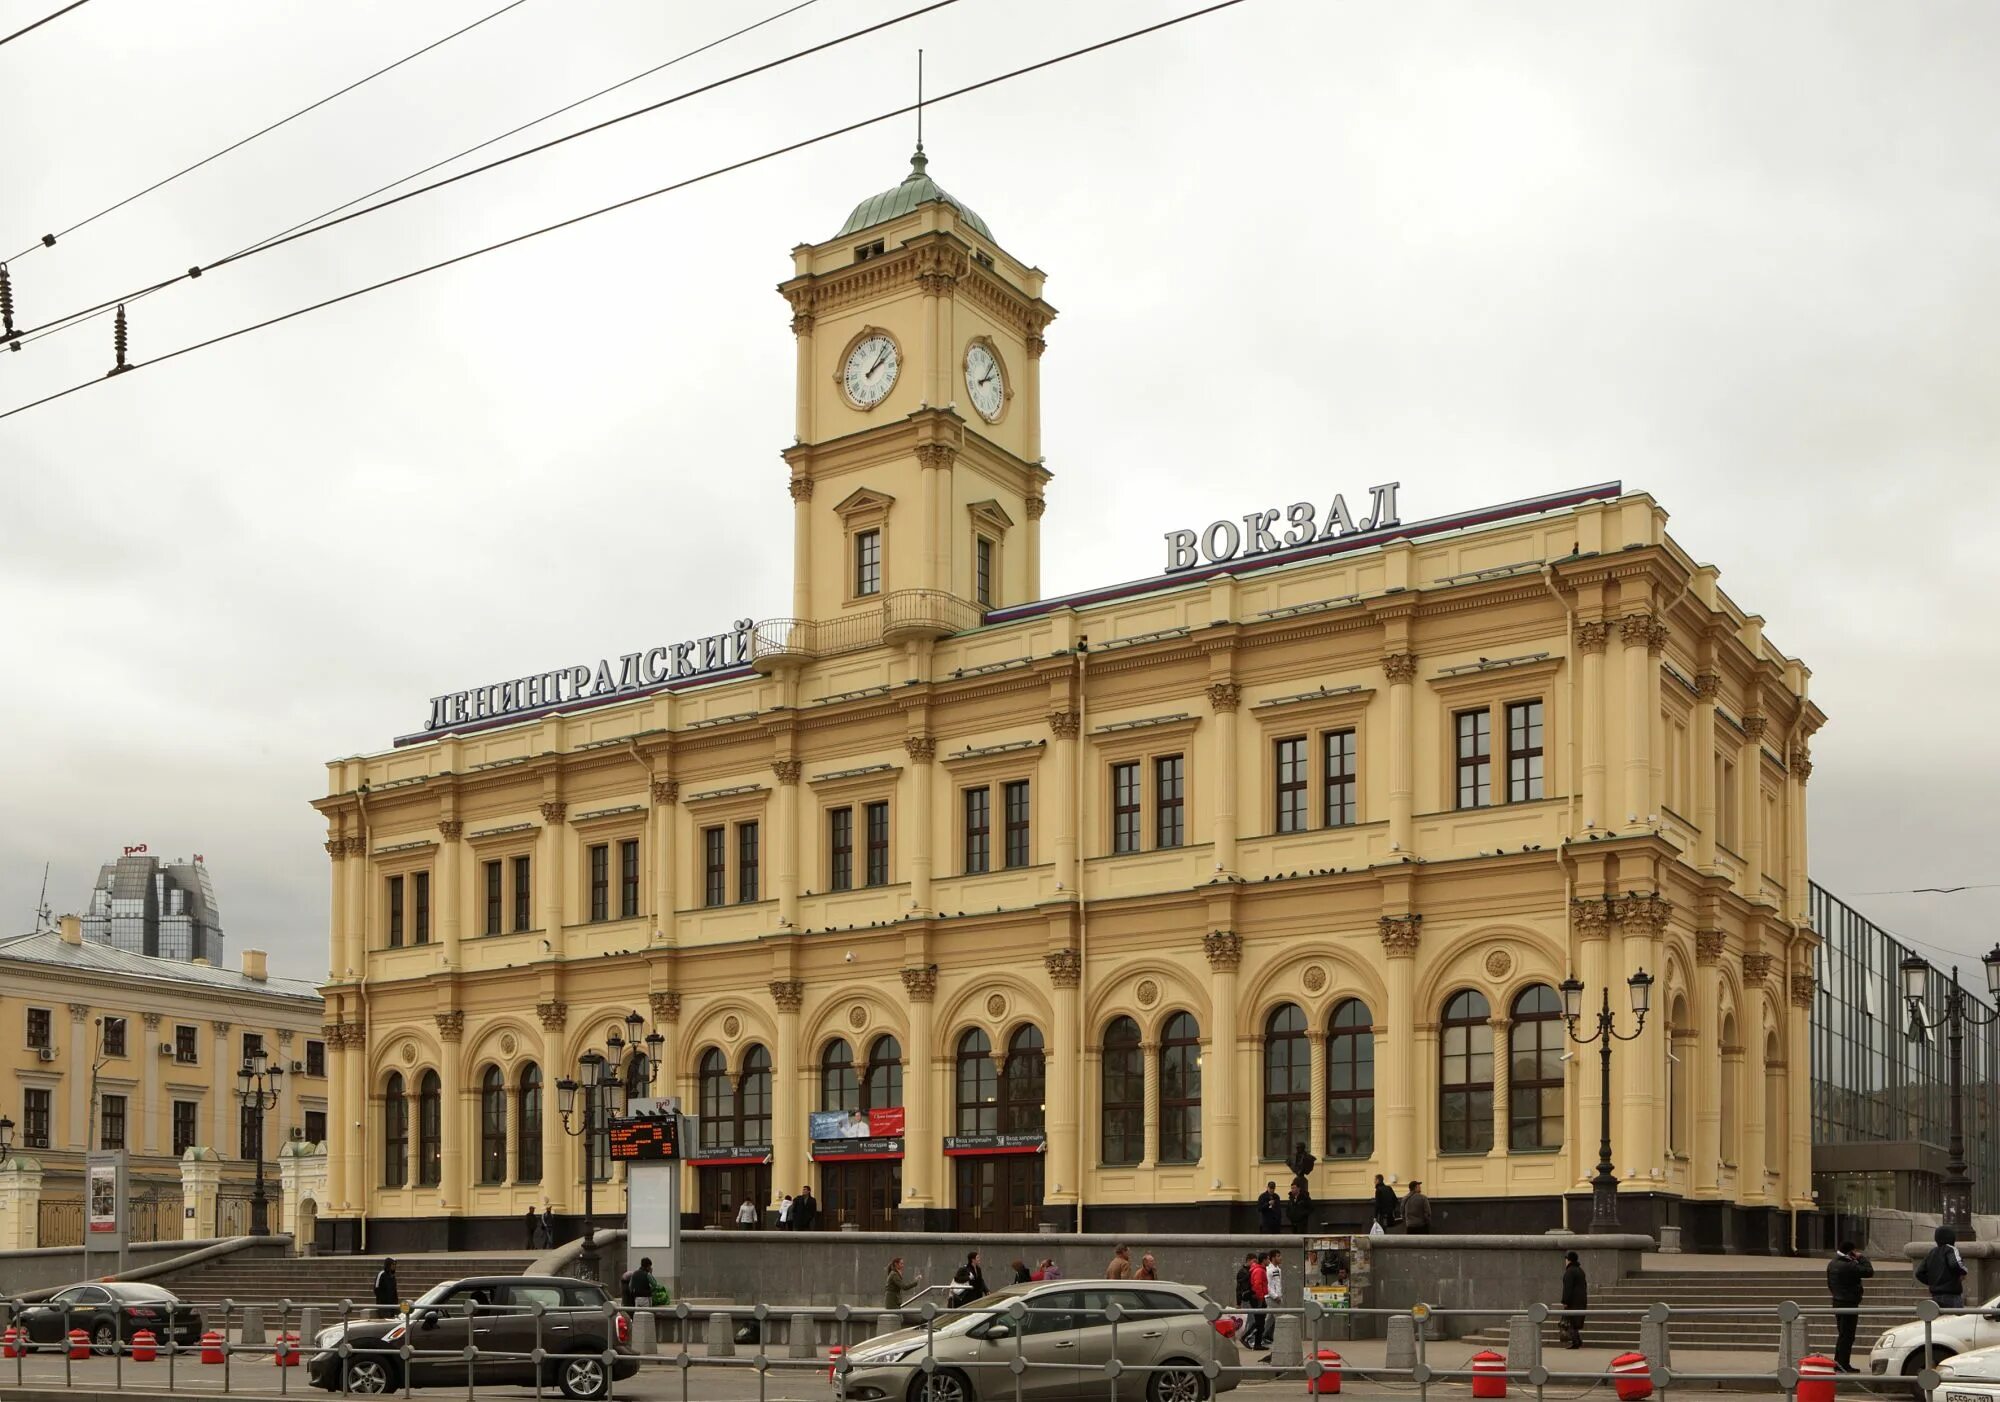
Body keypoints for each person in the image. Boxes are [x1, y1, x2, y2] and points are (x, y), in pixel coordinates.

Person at [1827, 1240, 1874, 1373]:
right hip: (1849, 1303)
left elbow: (1829, 1283)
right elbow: (1869, 1272)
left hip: (1837, 1301)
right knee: (1847, 1336)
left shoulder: (1832, 1263)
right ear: (1851, 1252)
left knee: (1842, 1334)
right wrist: (1862, 1258)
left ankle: (1838, 1362)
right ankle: (1843, 1364)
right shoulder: (1849, 1265)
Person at [1917, 1225, 1968, 1308]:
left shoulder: (1932, 1252)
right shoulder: (1951, 1249)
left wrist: (1933, 1282)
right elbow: (1955, 1264)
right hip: (1952, 1295)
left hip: (1935, 1296)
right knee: (1956, 1320)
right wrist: (1964, 1271)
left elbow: (1919, 1273)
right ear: (1952, 1237)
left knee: (1939, 1320)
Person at [1559, 1251, 1587, 1350]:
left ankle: (1576, 1341)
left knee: (1571, 1322)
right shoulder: (1580, 1270)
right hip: (1581, 1299)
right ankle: (1578, 1341)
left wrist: (1565, 1301)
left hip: (1573, 1300)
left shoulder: (1569, 1271)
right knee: (1574, 1321)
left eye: (1566, 1259)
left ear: (1568, 1260)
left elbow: (1568, 1288)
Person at [1247, 1252, 1271, 1350]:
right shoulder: (1259, 1271)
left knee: (1260, 1321)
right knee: (1260, 1322)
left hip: (1259, 1298)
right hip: (1258, 1299)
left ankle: (1257, 1343)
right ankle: (1250, 1339)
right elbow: (1257, 1285)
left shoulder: (1260, 1270)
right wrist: (1261, 1298)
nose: (1269, 1261)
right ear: (1264, 1260)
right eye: (1268, 1259)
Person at [1265, 1248, 1286, 1348]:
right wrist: (1275, 1296)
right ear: (1273, 1258)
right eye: (1278, 1256)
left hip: (1276, 1297)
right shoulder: (1269, 1270)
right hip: (1272, 1298)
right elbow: (1267, 1285)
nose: (1280, 1258)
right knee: (1279, 1318)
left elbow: (1277, 1284)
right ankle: (1281, 1339)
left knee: (1268, 1320)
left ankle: (1258, 1337)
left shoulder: (1278, 1269)